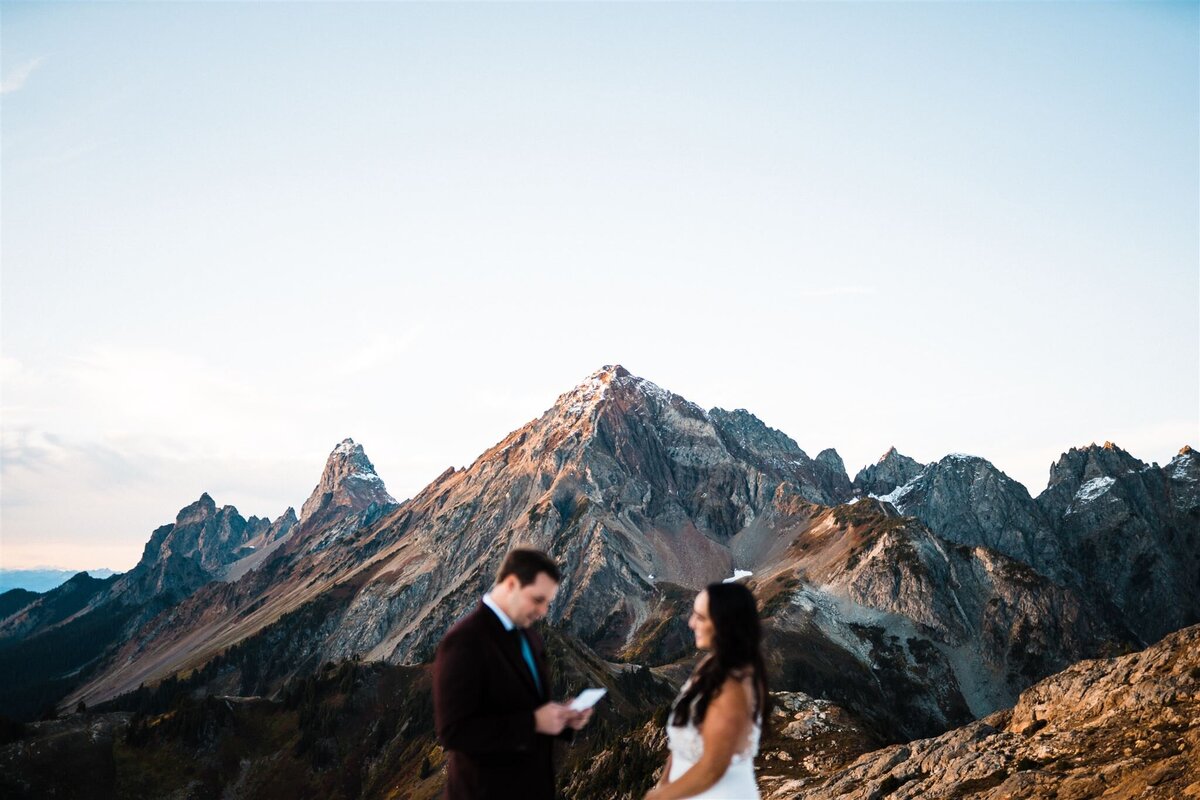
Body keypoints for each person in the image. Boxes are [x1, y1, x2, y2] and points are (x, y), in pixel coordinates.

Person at [434, 548, 593, 800]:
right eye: (538, 599)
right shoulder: (465, 640)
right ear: (511, 584)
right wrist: (533, 722)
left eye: (547, 602)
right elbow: (454, 732)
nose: (543, 611)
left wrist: (563, 718)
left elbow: (525, 706)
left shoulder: (530, 636)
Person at [645, 581, 769, 800]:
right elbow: (683, 747)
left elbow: (712, 768)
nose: (691, 623)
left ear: (724, 625)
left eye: (701, 617)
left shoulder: (734, 687)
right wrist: (663, 784)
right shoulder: (711, 665)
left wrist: (658, 797)